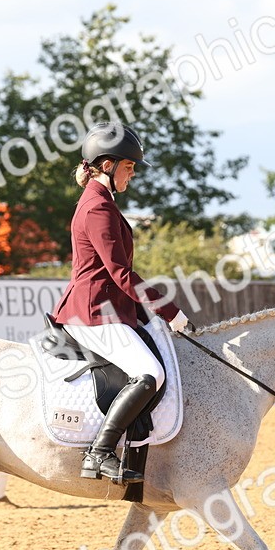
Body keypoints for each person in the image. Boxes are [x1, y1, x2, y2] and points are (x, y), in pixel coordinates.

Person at [49, 122, 190, 484]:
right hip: (94, 312)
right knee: (150, 374)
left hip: (107, 309)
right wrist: (169, 311)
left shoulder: (101, 202)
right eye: (129, 166)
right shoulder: (97, 207)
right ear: (108, 164)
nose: (132, 174)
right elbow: (120, 273)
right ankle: (100, 452)